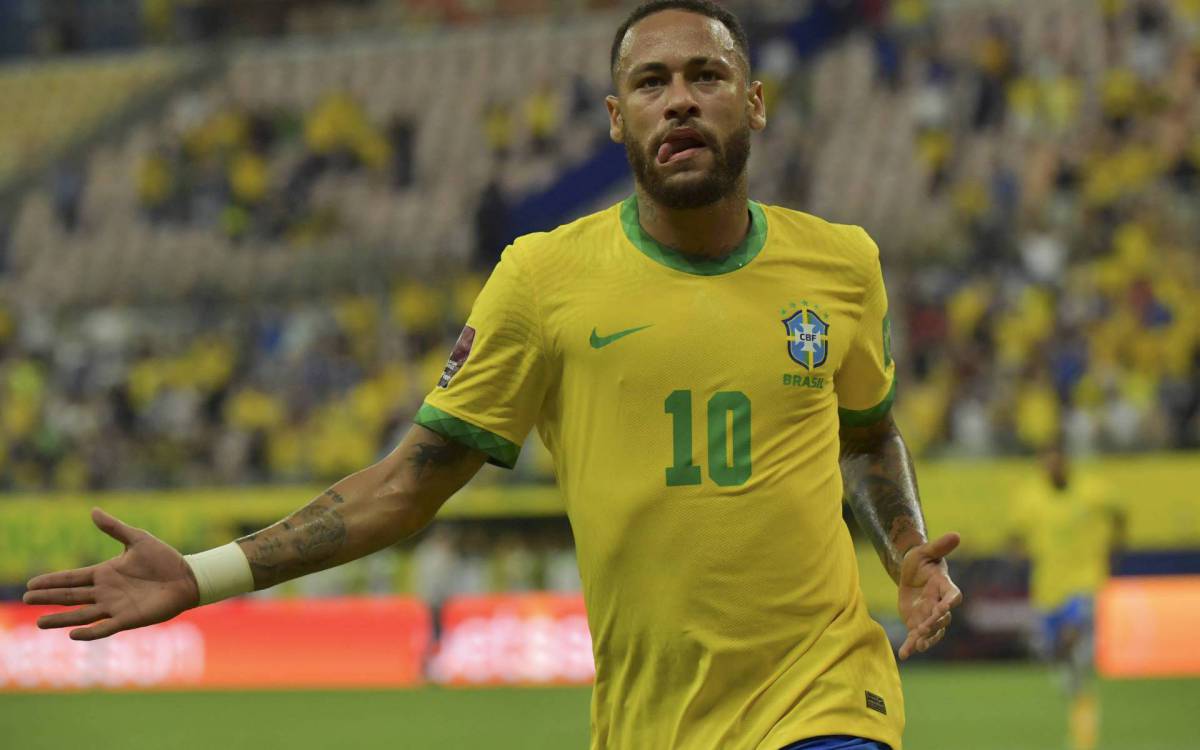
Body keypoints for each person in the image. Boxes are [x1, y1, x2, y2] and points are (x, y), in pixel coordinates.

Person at [23, 3, 962, 748]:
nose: (679, 98)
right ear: (615, 118)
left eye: (706, 75)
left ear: (753, 102)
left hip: (828, 697)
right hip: (652, 719)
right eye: (650, 82)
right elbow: (403, 486)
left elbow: (868, 432)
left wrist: (905, 552)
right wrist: (203, 573)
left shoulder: (842, 264)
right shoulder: (543, 280)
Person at [1009, 441, 1124, 750]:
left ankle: (1084, 728)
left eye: (1057, 461)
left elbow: (1118, 512)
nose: (1053, 467)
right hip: (1047, 590)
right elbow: (1017, 534)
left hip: (1084, 582)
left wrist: (1115, 547)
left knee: (1071, 640)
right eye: (1047, 462)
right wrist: (1018, 550)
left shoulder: (1091, 489)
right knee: (1060, 663)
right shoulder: (1030, 496)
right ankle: (1082, 712)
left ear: (1066, 463)